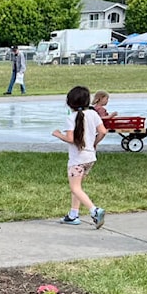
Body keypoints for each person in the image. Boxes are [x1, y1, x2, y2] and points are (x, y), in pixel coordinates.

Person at [51, 85, 109, 229]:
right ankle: (73, 214)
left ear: (69, 102)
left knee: (75, 188)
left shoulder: (71, 118)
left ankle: (95, 211)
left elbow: (70, 139)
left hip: (77, 159)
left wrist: (58, 134)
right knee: (78, 187)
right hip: (90, 158)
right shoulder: (93, 114)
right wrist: (94, 143)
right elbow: (103, 131)